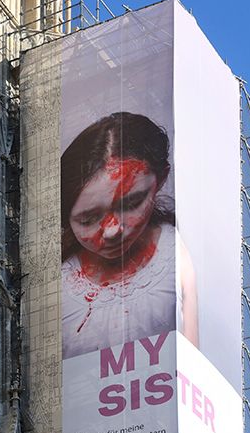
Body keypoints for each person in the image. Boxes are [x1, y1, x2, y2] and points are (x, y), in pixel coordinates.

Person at [61, 112, 198, 359]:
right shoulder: (56, 280)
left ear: (161, 179)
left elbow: (192, 361)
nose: (113, 230)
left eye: (132, 202)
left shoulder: (176, 257)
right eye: (89, 219)